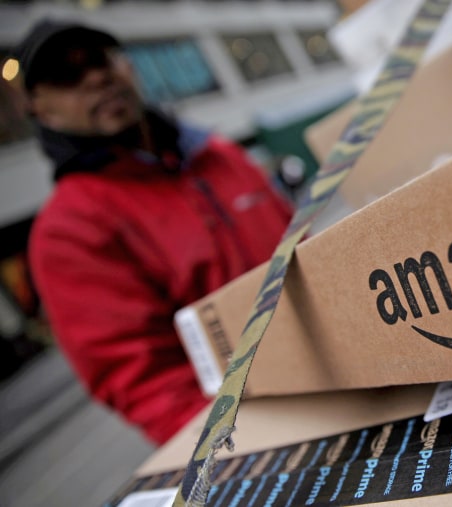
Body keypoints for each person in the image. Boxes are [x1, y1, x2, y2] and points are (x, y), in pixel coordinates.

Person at [14, 19, 294, 445]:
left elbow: (300, 247)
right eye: (67, 76)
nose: (96, 77)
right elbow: (147, 383)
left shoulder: (216, 155)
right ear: (40, 108)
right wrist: (245, 448)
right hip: (266, 429)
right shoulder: (69, 229)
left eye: (100, 60)